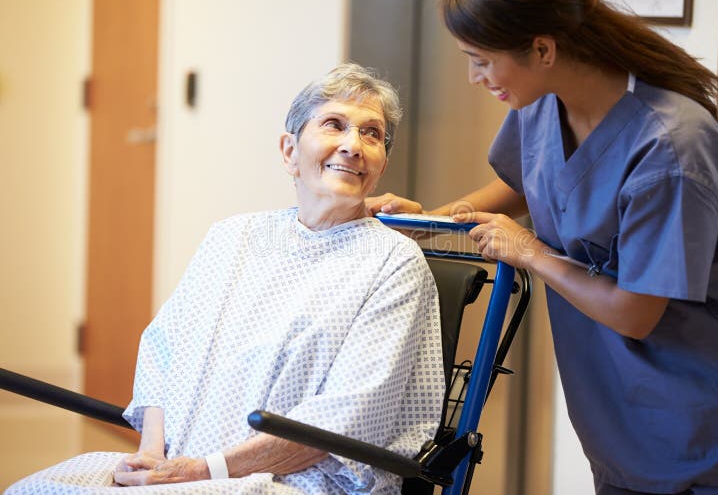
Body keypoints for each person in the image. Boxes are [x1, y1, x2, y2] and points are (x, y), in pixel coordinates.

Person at [367, 0, 718, 493]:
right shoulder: (540, 102)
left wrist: (532, 253)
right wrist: (429, 222)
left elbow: (635, 312)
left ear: (543, 50)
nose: (474, 78)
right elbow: (534, 181)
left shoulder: (670, 147)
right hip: (624, 418)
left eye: (481, 61)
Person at [9, 63, 445, 494]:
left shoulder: (393, 263)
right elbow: (165, 348)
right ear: (289, 151)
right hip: (180, 471)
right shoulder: (234, 236)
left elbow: (346, 418)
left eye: (371, 134)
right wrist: (152, 455)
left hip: (291, 482)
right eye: (334, 125)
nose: (353, 145)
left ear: (382, 164)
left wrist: (203, 472)